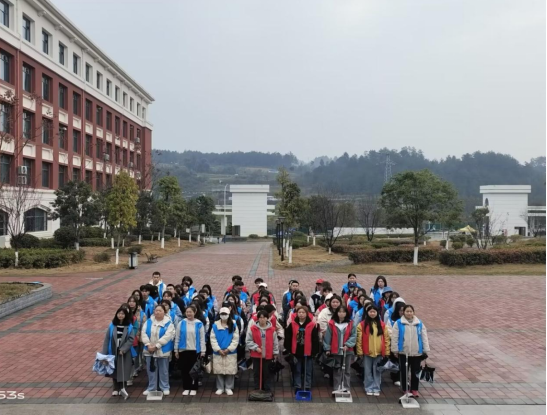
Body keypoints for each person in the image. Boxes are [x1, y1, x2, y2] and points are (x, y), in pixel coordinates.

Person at [391, 305, 431, 398]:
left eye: (411, 311)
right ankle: (405, 389)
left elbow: (424, 337)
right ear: (403, 312)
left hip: (416, 352)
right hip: (403, 352)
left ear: (413, 312)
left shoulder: (419, 323)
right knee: (404, 372)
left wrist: (425, 349)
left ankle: (414, 389)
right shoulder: (398, 323)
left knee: (415, 372)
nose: (409, 313)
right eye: (407, 311)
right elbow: (395, 337)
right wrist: (395, 350)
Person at [141, 304, 175, 396]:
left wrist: (157, 346)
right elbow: (144, 333)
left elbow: (167, 336)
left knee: (164, 370)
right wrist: (148, 344)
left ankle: (165, 387)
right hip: (149, 350)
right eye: (156, 310)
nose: (158, 312)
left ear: (164, 312)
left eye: (160, 310)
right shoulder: (148, 322)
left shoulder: (169, 323)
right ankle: (151, 387)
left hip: (163, 350)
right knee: (151, 370)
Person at [284, 305, 319, 394]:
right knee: (297, 369)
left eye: (303, 312)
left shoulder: (312, 325)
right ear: (296, 314)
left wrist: (314, 351)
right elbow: (288, 338)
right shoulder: (292, 324)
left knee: (308, 370)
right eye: (299, 312)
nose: (301, 314)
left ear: (307, 314)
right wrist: (289, 349)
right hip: (296, 351)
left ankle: (307, 386)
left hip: (308, 351)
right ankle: (297, 386)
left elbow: (315, 339)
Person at [357, 305, 391, 396]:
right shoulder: (362, 325)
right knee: (367, 371)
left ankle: (376, 388)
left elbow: (386, 339)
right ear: (367, 313)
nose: (372, 313)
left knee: (377, 371)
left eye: (374, 312)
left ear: (377, 313)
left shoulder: (382, 325)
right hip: (367, 352)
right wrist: (360, 351)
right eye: (370, 312)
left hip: (379, 352)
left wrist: (387, 351)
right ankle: (368, 387)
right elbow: (359, 340)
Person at [102, 306, 135, 396]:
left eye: (123, 314)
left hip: (124, 352)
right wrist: (104, 353)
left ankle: (122, 387)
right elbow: (107, 339)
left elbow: (131, 339)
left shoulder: (129, 326)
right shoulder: (112, 325)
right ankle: (115, 387)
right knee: (114, 368)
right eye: (119, 313)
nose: (120, 315)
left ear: (126, 315)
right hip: (113, 350)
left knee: (124, 369)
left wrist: (123, 349)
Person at [323, 305, 357, 394]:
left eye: (343, 312)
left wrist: (348, 345)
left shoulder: (351, 323)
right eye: (340, 312)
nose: (341, 314)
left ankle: (346, 387)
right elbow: (328, 336)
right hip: (336, 350)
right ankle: (337, 387)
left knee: (347, 370)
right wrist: (327, 348)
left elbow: (354, 335)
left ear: (346, 313)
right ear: (337, 313)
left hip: (347, 351)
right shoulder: (332, 323)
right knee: (337, 369)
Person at [175, 305, 206, 396]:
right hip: (183, 350)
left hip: (195, 350)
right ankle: (186, 387)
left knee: (194, 370)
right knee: (184, 370)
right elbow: (177, 337)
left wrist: (203, 351)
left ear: (194, 312)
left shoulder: (199, 324)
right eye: (187, 312)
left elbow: (202, 338)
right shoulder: (181, 323)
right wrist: (176, 350)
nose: (188, 314)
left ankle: (194, 387)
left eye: (190, 312)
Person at [246, 310, 279, 393]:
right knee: (257, 372)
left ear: (267, 318)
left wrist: (275, 352)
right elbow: (248, 341)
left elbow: (275, 342)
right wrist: (256, 348)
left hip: (268, 355)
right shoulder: (252, 329)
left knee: (267, 372)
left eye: (264, 317)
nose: (262, 319)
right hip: (256, 355)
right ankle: (257, 388)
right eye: (260, 317)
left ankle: (267, 388)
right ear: (258, 319)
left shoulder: (272, 330)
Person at [211, 307, 240, 396]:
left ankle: (228, 387)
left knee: (230, 370)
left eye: (225, 314)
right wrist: (218, 349)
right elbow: (213, 339)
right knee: (219, 370)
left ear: (228, 315)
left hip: (230, 352)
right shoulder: (215, 326)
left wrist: (229, 349)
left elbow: (235, 339)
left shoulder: (234, 325)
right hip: (218, 352)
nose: (224, 316)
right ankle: (220, 387)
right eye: (222, 314)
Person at [127, 295, 146, 381]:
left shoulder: (141, 314)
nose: (131, 303)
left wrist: (139, 336)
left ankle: (136, 369)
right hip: (128, 338)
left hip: (138, 337)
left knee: (137, 354)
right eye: (130, 301)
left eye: (133, 301)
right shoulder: (125, 312)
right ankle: (131, 372)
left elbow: (143, 326)